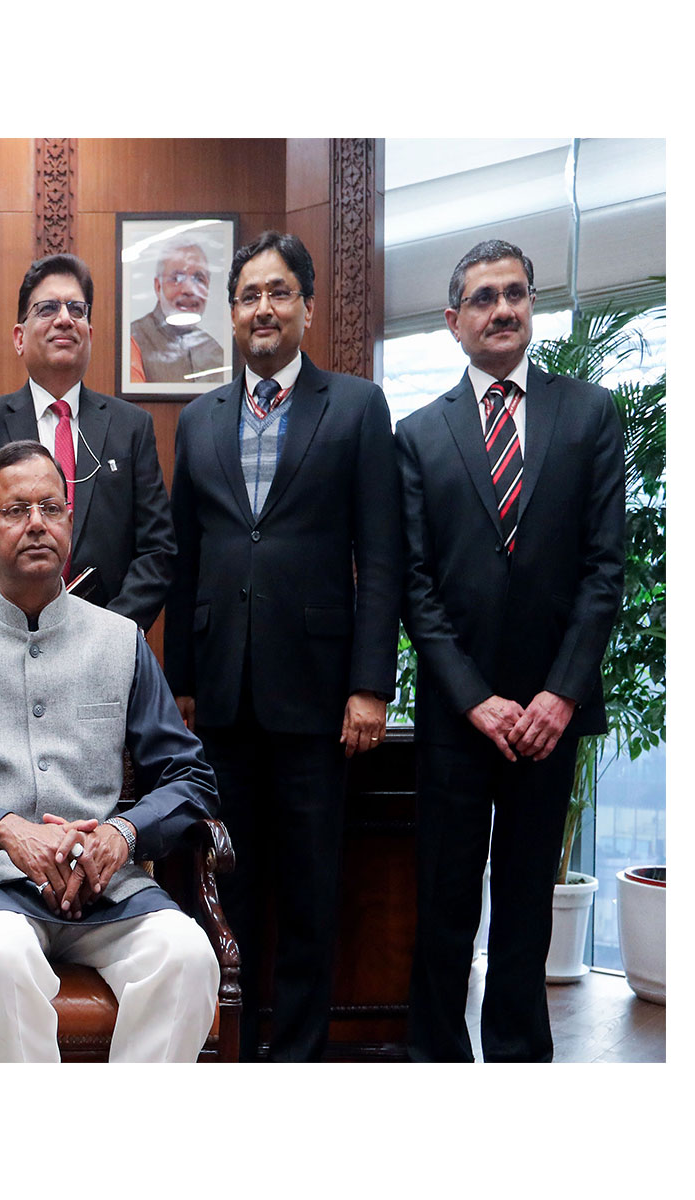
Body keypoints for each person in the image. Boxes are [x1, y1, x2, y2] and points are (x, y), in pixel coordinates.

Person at [0, 440, 221, 1063]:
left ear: (69, 523)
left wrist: (123, 833)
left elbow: (190, 776)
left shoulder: (120, 641)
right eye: (15, 511)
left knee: (189, 956)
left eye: (50, 507)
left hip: (109, 888)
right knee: (7, 960)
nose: (36, 523)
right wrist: (5, 829)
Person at [164, 230, 402, 1061]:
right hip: (222, 699)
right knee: (226, 888)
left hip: (317, 700)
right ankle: (229, 1046)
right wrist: (181, 685)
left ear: (306, 305)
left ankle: (294, 1058)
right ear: (231, 314)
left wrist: (372, 684)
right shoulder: (199, 419)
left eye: (278, 293)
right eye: (248, 296)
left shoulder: (358, 407)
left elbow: (382, 554)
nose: (262, 308)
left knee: (307, 894)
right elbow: (186, 556)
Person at [398, 239, 625, 1062]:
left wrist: (559, 695)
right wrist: (472, 696)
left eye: (516, 294)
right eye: (484, 297)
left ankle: (523, 1069)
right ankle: (438, 1064)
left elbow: (606, 570)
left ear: (533, 307)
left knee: (528, 903)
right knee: (445, 902)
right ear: (454, 321)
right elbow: (414, 588)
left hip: (547, 717)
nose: (503, 309)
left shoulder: (591, 414)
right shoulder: (417, 435)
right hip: (461, 715)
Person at [0, 253, 174, 629]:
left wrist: (108, 634)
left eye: (77, 309)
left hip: (106, 645)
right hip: (8, 644)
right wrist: (16, 627)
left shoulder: (132, 428)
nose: (65, 319)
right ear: (19, 337)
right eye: (48, 308)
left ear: (89, 333)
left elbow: (157, 550)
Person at [129, 241, 226, 384]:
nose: (189, 289)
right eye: (176, 278)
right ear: (158, 286)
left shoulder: (216, 353)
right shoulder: (132, 341)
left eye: (199, 279)